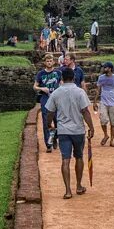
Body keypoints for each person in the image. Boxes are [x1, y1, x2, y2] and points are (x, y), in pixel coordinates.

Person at [44, 67, 95, 199]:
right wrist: (91, 127)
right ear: (73, 78)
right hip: (78, 130)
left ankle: (67, 190)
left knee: (65, 159)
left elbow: (50, 112)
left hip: (63, 130)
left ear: (61, 78)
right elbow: (85, 111)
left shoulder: (56, 93)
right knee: (79, 157)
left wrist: (49, 125)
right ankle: (78, 185)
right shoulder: (80, 92)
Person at [33, 53, 61, 152]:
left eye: (50, 61)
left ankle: (54, 138)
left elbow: (62, 84)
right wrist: (42, 88)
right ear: (45, 62)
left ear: (53, 62)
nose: (49, 63)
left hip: (56, 98)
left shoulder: (58, 73)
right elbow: (35, 86)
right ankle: (48, 144)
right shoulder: (41, 74)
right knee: (46, 121)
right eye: (47, 61)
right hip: (45, 98)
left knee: (58, 120)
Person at [96, 62, 114, 146]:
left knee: (113, 122)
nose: (104, 69)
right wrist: (95, 101)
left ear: (110, 69)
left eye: (106, 68)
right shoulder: (101, 78)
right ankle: (106, 135)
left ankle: (112, 140)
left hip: (113, 103)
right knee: (103, 120)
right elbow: (98, 90)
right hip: (103, 102)